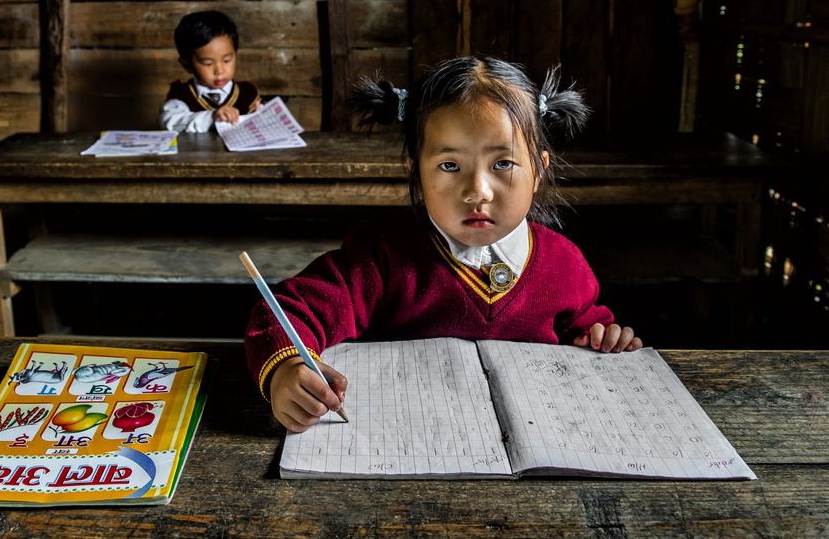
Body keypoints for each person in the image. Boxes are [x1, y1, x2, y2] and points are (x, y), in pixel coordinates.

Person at [245, 56, 644, 432]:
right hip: (403, 439)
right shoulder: (380, 255)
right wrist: (286, 367)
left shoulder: (564, 264)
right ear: (416, 171)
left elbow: (588, 328)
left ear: (539, 169)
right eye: (449, 166)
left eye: (502, 163)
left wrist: (604, 338)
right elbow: (290, 312)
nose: (477, 191)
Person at [160, 10, 260, 132]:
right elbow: (171, 122)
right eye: (208, 64)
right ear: (187, 65)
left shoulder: (247, 93)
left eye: (227, 60)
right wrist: (212, 117)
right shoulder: (181, 94)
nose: (219, 70)